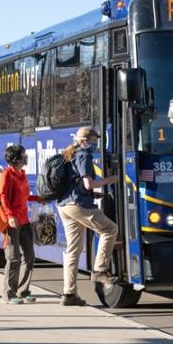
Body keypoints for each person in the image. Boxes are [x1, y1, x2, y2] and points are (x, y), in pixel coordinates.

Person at [57, 127, 118, 306]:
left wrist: (92, 195)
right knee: (110, 229)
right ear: (86, 140)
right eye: (94, 140)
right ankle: (100, 270)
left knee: (73, 250)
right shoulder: (84, 154)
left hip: (65, 206)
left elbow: (76, 184)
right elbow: (88, 184)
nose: (96, 143)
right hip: (78, 205)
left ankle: (69, 294)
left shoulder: (69, 153)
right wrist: (111, 180)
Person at [0, 144, 39, 305]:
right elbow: (3, 197)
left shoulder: (22, 174)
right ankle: (8, 294)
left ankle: (23, 291)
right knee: (13, 258)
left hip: (24, 221)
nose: (26, 157)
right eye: (23, 154)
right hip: (12, 222)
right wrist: (10, 216)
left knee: (29, 256)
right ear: (18, 159)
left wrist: (38, 199)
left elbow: (24, 196)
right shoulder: (7, 175)